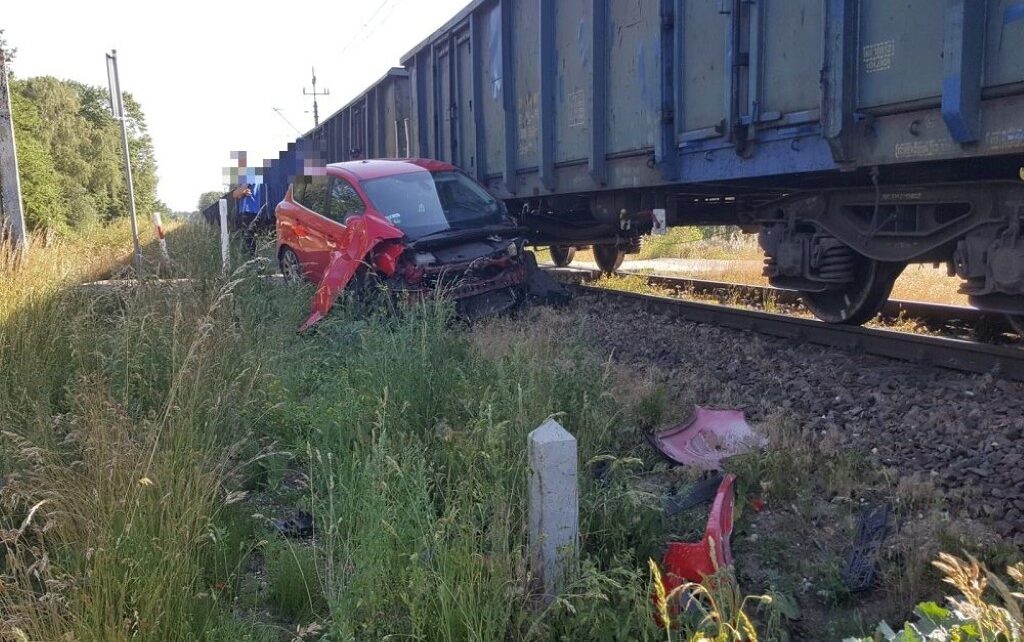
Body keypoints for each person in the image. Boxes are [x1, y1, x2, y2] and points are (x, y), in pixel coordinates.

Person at [230, 152, 268, 256]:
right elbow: (237, 194)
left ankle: (255, 263)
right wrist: (240, 193)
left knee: (249, 239)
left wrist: (239, 192)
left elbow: (235, 194)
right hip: (249, 210)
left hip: (250, 211)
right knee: (249, 239)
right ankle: (254, 262)